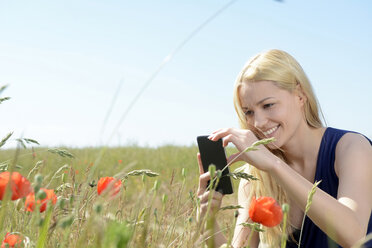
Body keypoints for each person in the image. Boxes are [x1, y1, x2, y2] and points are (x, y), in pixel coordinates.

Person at [197, 49, 372, 247]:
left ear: (300, 95)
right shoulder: (255, 178)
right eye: (249, 112)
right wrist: (208, 223)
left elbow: (354, 234)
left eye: (268, 105)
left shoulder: (351, 148)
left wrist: (274, 165)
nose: (259, 122)